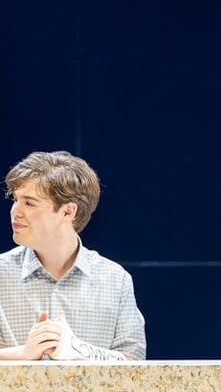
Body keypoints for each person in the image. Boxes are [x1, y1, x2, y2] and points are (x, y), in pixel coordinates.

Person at [0, 150, 146, 361]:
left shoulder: (115, 279)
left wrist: (76, 350)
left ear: (68, 212)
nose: (15, 211)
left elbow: (135, 365)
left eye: (29, 203)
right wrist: (22, 354)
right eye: (15, 199)